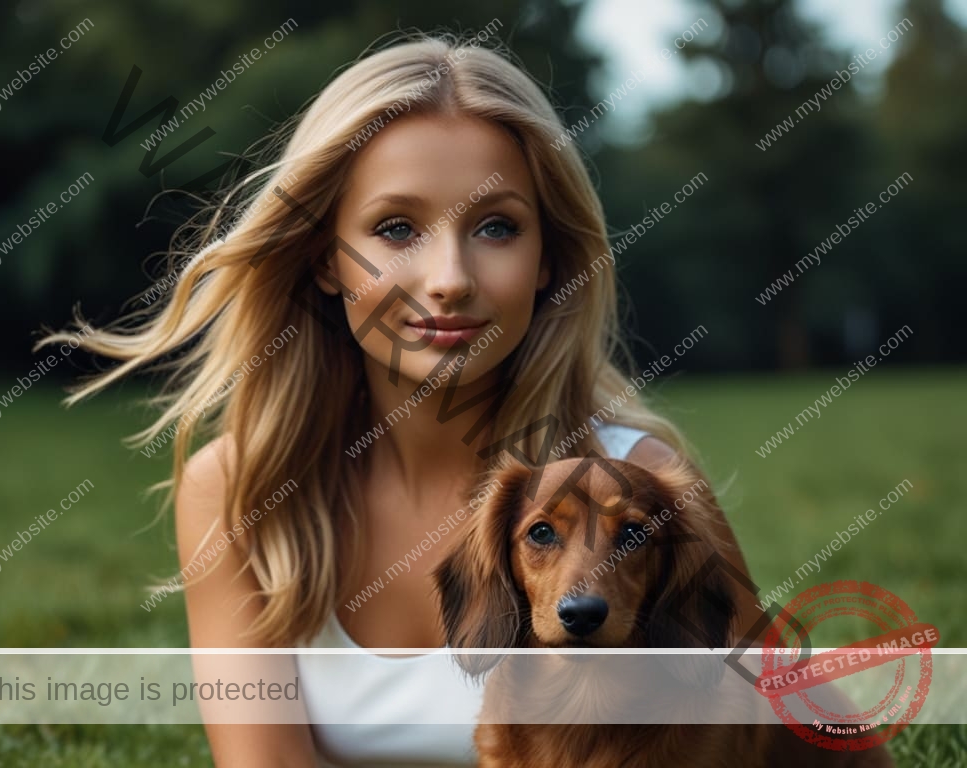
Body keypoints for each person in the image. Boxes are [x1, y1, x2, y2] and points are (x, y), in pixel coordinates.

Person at [41, 32, 762, 767]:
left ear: (549, 257)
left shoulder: (647, 487)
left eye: (496, 227)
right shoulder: (237, 494)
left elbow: (764, 741)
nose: (449, 277)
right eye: (396, 228)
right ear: (325, 258)